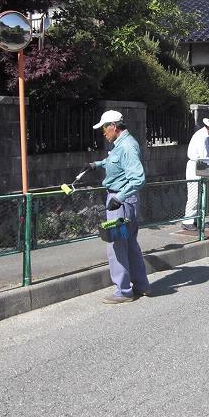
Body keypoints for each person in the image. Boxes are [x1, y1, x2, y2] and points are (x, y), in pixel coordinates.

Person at [87, 110, 151, 304]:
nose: (103, 133)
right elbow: (115, 162)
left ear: (113, 126)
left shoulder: (128, 146)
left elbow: (138, 178)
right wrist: (97, 164)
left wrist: (119, 197)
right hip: (125, 200)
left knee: (117, 244)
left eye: (104, 129)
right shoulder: (122, 144)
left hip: (120, 200)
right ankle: (141, 285)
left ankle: (123, 291)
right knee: (129, 242)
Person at [181, 114, 209, 231]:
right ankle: (188, 221)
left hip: (201, 166)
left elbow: (205, 157)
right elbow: (201, 158)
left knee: (201, 195)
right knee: (194, 195)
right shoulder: (201, 137)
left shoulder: (207, 137)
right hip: (195, 167)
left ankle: (197, 220)